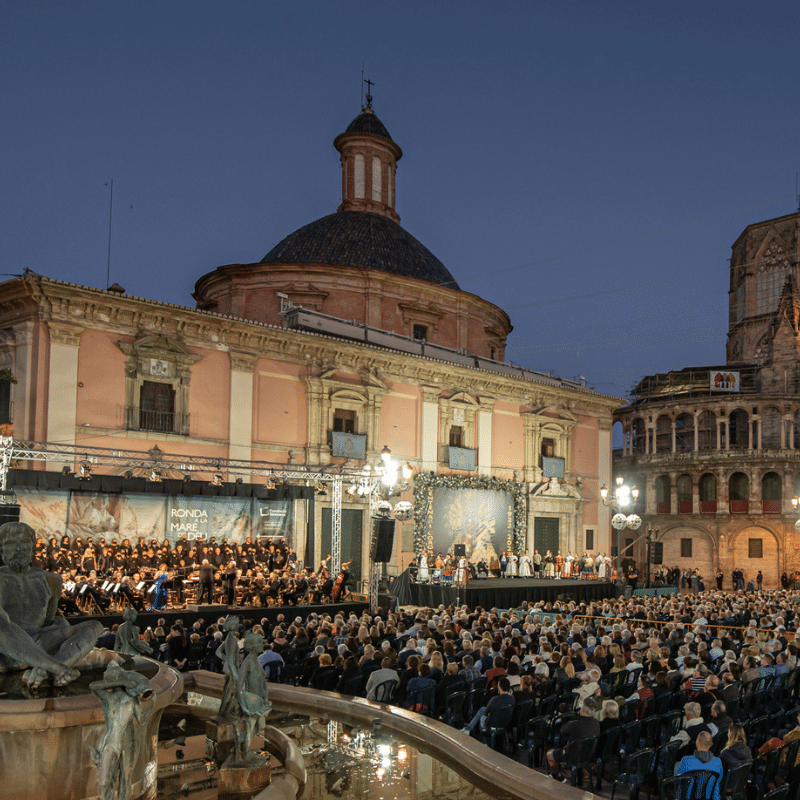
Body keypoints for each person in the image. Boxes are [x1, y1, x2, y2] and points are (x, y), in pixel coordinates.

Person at [0, 521, 103, 687]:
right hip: (5, 645)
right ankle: (57, 668)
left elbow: (49, 621)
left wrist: (61, 626)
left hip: (38, 640)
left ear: (33, 547)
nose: (19, 548)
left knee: (94, 626)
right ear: (2, 548)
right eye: (11, 543)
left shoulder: (51, 580)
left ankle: (44, 671)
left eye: (24, 543)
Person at [546, 698, 601, 780]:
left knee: (549, 754)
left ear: (582, 710)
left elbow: (562, 730)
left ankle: (558, 777)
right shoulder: (597, 723)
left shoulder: (575, 724)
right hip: (588, 755)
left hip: (573, 756)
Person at [674, 730, 724, 800]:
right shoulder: (718, 762)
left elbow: (677, 781)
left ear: (697, 742)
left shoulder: (686, 760)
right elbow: (717, 783)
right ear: (711, 744)